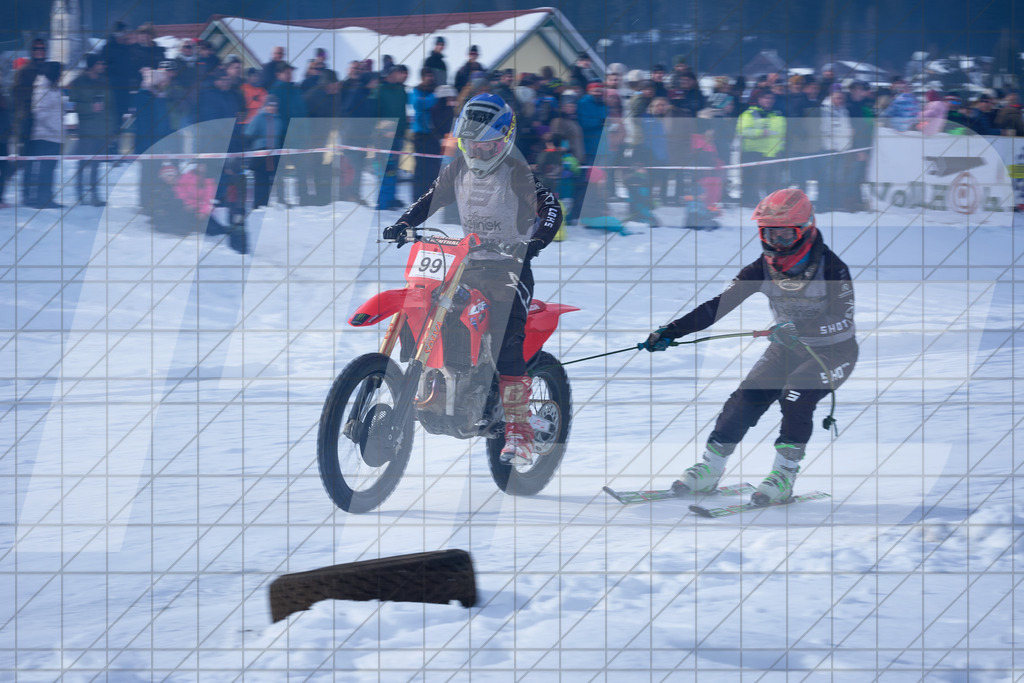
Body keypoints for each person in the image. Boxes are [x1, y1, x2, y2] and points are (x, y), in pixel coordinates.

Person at [640, 188, 857, 506]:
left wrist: (797, 328)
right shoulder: (762, 267)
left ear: (805, 230)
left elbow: (843, 321)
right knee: (745, 398)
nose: (775, 244)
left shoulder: (833, 268)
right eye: (768, 234)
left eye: (783, 235)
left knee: (796, 395)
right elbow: (719, 305)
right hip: (787, 346)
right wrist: (674, 331)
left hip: (834, 351)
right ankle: (711, 469)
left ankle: (783, 476)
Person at [381, 94, 563, 465]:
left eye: (486, 146)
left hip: (509, 269)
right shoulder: (457, 170)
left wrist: (532, 244)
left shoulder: (515, 172)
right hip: (463, 263)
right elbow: (429, 199)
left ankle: (520, 431)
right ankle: (431, 384)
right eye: (470, 145)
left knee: (505, 337)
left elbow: (551, 208)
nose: (477, 154)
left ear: (504, 141)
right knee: (425, 304)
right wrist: (405, 224)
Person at [69, 54, 115, 206]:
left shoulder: (104, 81)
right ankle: (79, 193)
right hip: (86, 130)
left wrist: (111, 128)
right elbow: (71, 106)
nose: (103, 66)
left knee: (97, 164)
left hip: (102, 129)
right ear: (91, 65)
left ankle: (95, 194)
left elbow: (110, 106)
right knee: (83, 162)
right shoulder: (78, 82)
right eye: (100, 63)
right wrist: (89, 108)